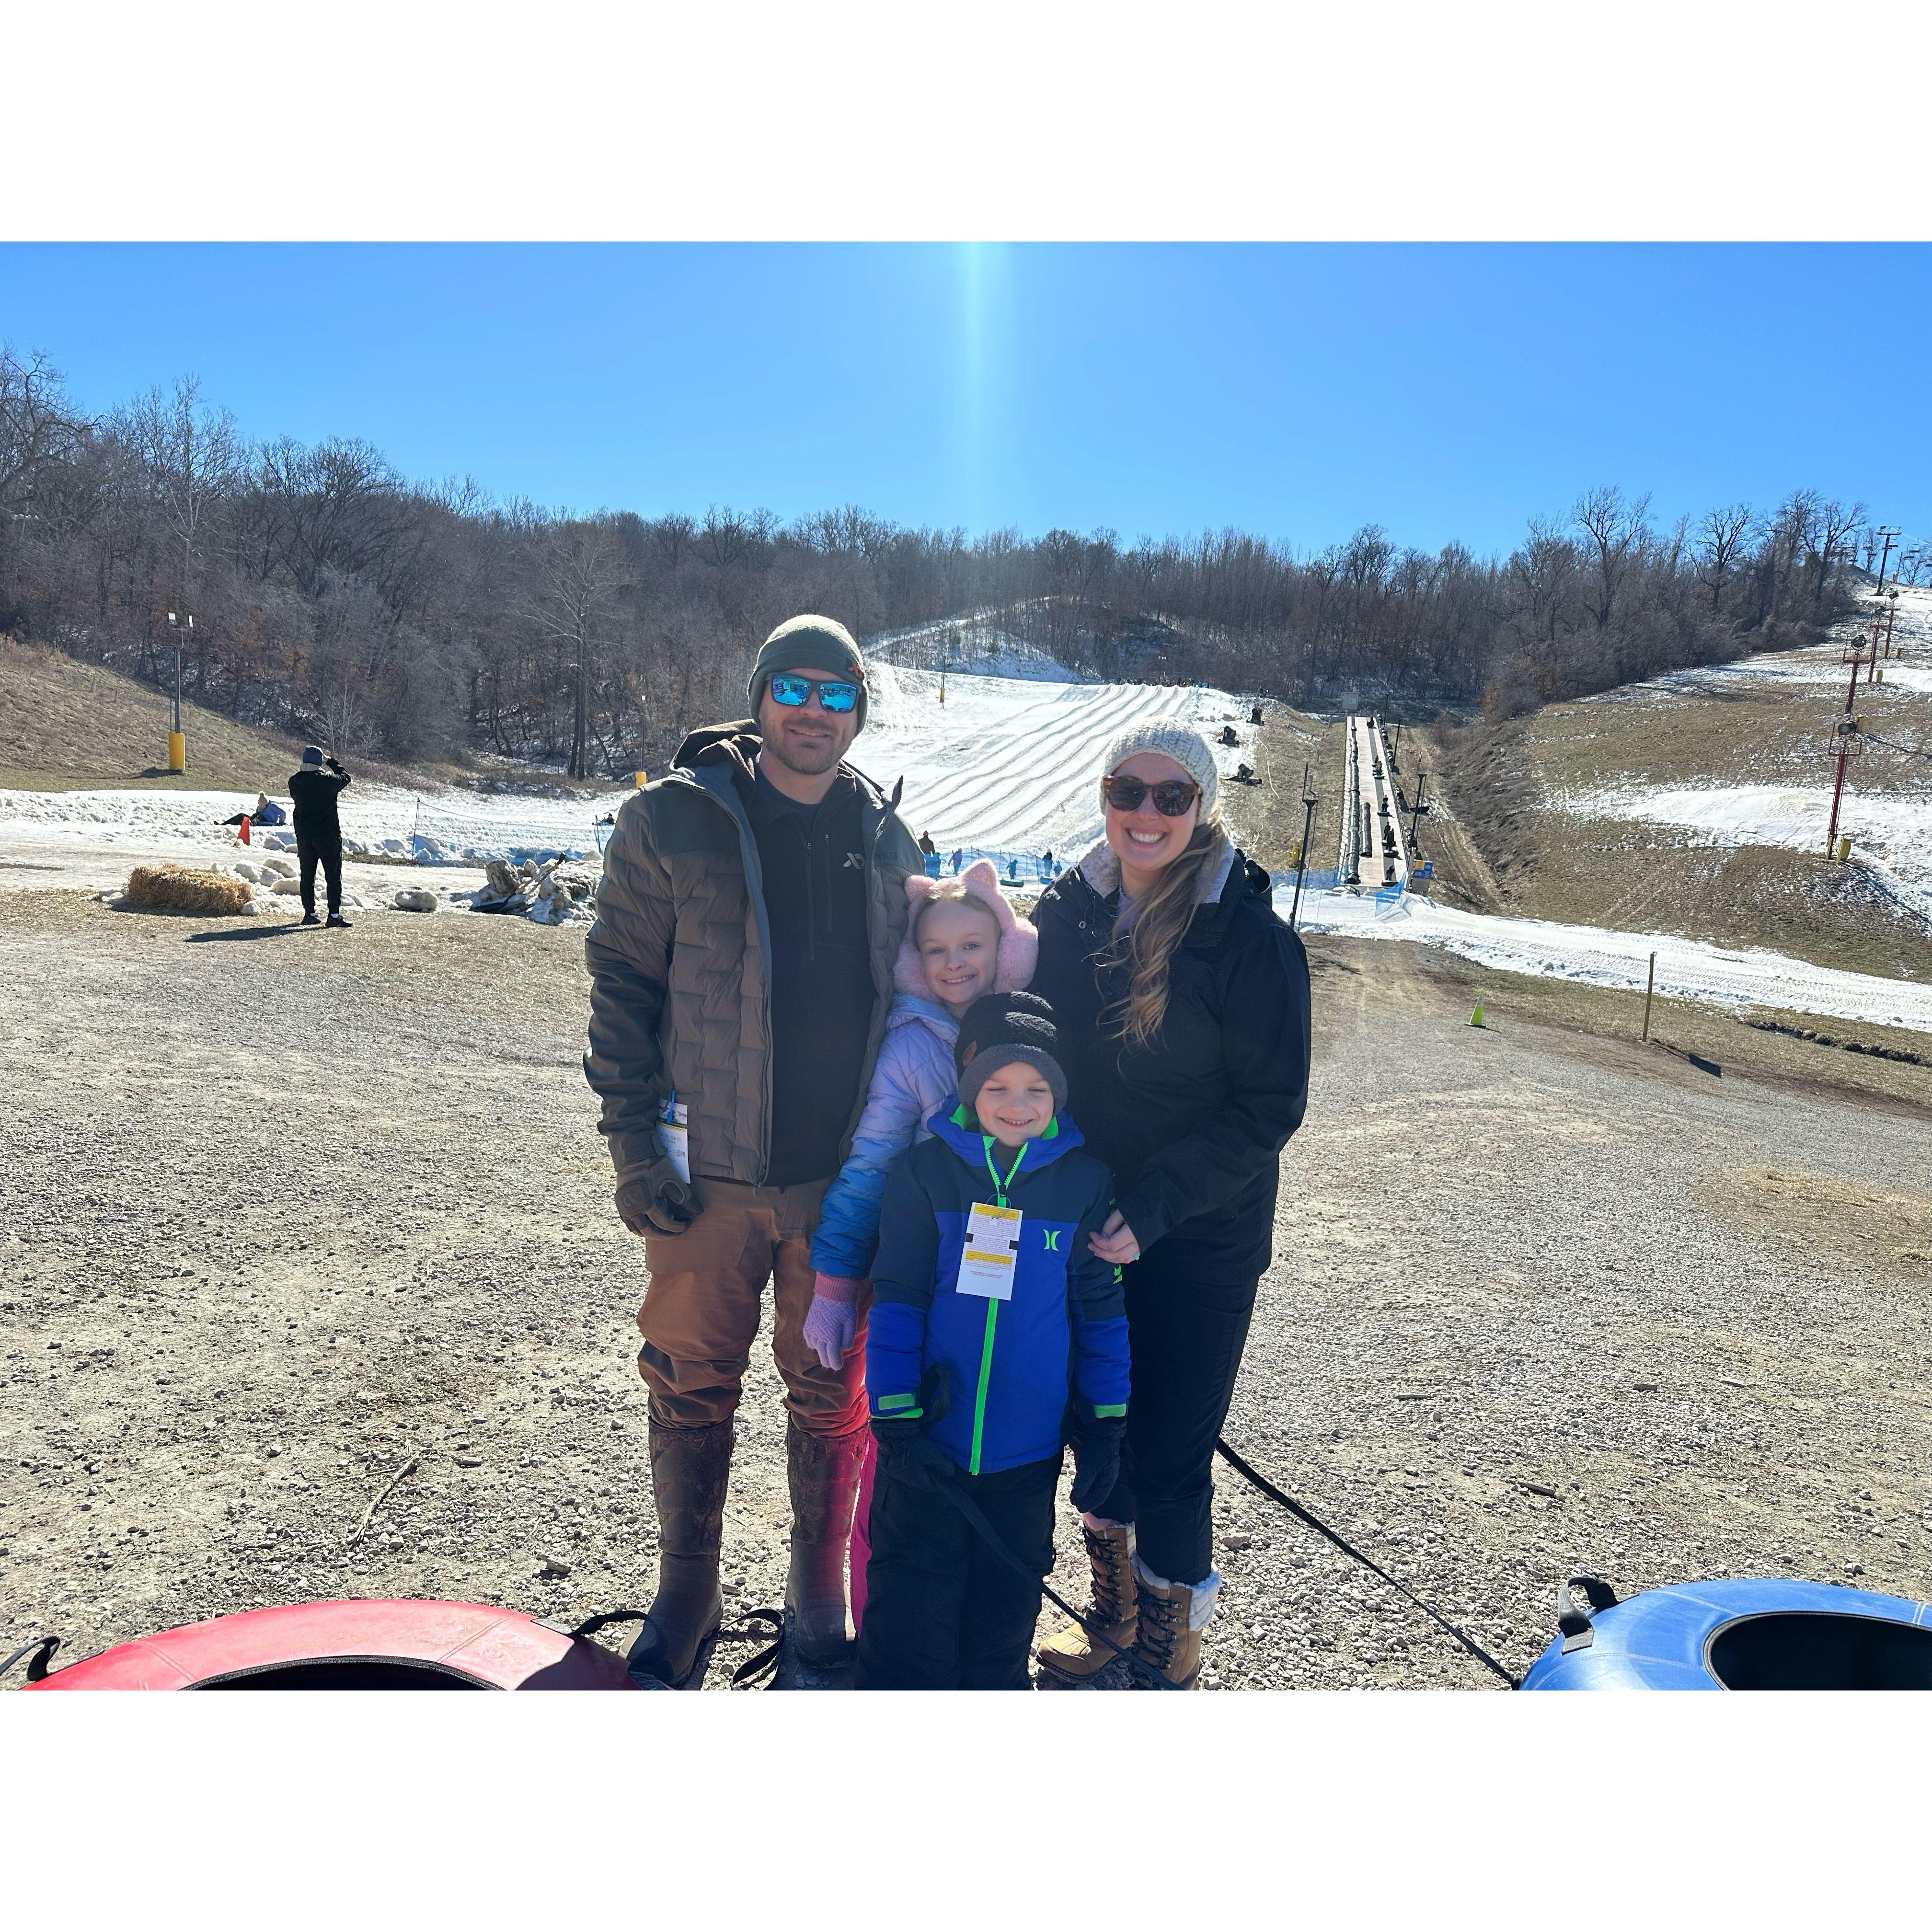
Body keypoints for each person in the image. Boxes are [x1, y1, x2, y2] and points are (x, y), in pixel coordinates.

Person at [584, 614, 920, 1687]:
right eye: (794, 689)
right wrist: (634, 1147)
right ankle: (690, 1588)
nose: (813, 712)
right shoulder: (672, 821)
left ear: (859, 710)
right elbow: (622, 989)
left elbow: (926, 997)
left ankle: (817, 1585)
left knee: (830, 1389)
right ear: (760, 695)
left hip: (840, 1185)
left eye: (837, 695)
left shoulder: (885, 836)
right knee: (690, 1380)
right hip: (708, 1178)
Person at [1029, 721, 1310, 1690]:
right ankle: (1112, 1615)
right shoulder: (1066, 915)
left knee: (1174, 1450)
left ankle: (1168, 1647)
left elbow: (1267, 1108)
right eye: (1127, 791)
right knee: (1099, 1429)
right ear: (1104, 798)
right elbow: (1025, 1042)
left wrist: (1154, 1210)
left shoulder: (1249, 939)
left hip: (1199, 1238)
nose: (1145, 814)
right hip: (1086, 1226)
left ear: (1203, 808)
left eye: (1171, 796)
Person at [855, 993, 1129, 1690]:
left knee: (1002, 1620)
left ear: (1058, 1096)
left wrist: (1105, 1424)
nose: (1018, 1104)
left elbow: (1100, 1311)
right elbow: (898, 1297)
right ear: (970, 1089)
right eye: (998, 1086)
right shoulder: (924, 1175)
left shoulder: (1085, 1183)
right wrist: (893, 1413)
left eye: (1038, 1088)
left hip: (1026, 1454)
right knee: (911, 1613)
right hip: (929, 1446)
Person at [803, 861, 1038, 1634]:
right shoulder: (911, 1048)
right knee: (903, 1443)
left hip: (1016, 1288)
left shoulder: (1031, 1032)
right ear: (915, 957)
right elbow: (869, 1165)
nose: (954, 962)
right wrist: (837, 1281)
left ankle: (985, 1623)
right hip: (933, 1278)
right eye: (935, 948)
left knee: (1002, 1447)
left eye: (971, 943)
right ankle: (886, 1628)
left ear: (1001, 946)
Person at [288, 748, 352, 929]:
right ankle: (333, 915)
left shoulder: (294, 782)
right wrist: (332, 762)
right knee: (332, 876)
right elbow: (346, 777)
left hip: (304, 836)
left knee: (307, 875)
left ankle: (309, 913)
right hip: (327, 836)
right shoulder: (327, 781)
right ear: (319, 762)